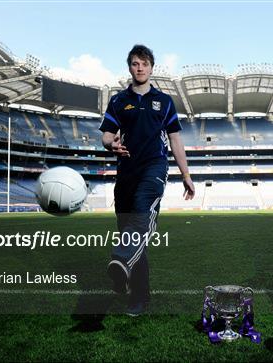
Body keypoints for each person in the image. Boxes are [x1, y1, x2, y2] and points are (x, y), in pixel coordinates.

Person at [99, 44, 195, 315]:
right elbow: (106, 134)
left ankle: (133, 286)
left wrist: (186, 175)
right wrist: (111, 144)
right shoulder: (118, 101)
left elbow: (175, 139)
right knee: (130, 231)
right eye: (134, 63)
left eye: (144, 63)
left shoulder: (164, 101)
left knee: (142, 211)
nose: (139, 68)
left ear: (152, 67)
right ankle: (127, 273)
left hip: (155, 166)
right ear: (129, 67)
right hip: (126, 171)